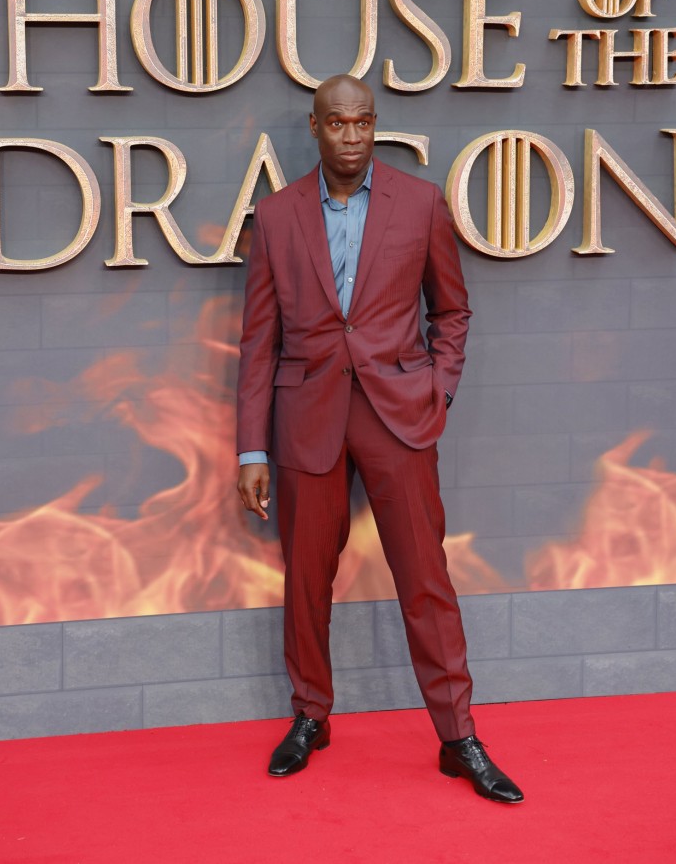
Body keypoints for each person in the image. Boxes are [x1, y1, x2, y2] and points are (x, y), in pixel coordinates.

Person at [236, 74, 523, 804]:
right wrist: (251, 449)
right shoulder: (274, 217)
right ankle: (310, 716)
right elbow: (258, 343)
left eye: (364, 122)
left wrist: (439, 389)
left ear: (375, 126)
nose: (353, 135)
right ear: (315, 127)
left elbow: (452, 312)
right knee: (305, 580)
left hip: (398, 414)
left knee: (426, 578)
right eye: (339, 123)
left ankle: (458, 736)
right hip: (307, 420)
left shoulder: (421, 203)